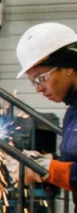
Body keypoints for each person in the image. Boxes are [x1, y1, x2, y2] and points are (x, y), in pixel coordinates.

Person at [14, 22, 77, 193]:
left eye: (41, 78)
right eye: (33, 82)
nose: (38, 88)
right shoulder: (72, 112)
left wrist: (49, 169)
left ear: (68, 67)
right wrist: (45, 161)